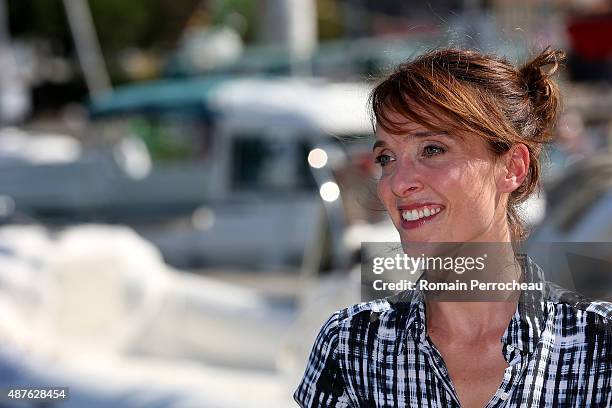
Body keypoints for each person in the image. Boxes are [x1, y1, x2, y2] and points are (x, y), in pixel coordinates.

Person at [293, 48, 612, 407]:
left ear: (512, 168)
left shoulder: (599, 345)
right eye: (387, 158)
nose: (398, 183)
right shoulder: (351, 347)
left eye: (432, 149)